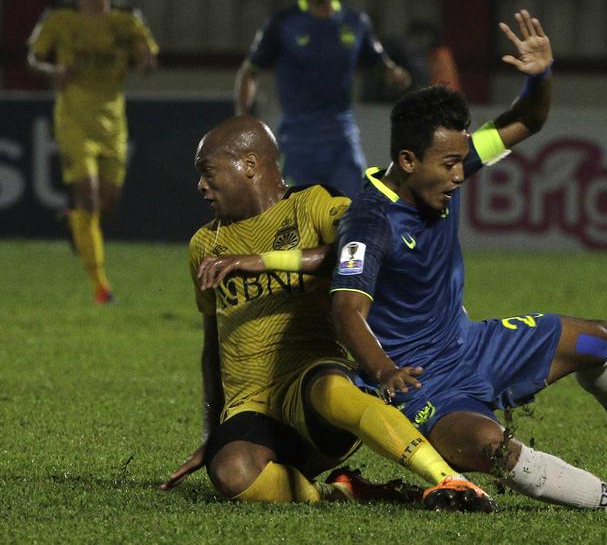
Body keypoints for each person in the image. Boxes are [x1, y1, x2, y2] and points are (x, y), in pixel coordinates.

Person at [329, 10, 607, 510]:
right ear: (408, 161)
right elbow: (346, 310)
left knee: (598, 338)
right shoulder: (369, 221)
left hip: (472, 345)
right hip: (419, 385)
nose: (460, 175)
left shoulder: (446, 164)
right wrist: (385, 371)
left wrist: (539, 75)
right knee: (493, 450)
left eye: (462, 161)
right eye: (449, 164)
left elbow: (528, 119)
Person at [160, 115, 494, 510]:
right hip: (251, 407)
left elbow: (363, 246)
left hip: (315, 391)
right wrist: (212, 435)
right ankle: (340, 493)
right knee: (232, 475)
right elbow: (211, 343)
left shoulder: (312, 203)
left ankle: (448, 480)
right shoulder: (205, 244)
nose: (201, 185)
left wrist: (263, 260)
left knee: (333, 390)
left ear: (248, 165)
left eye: (208, 172)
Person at [27, 0, 158, 304]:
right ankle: (101, 287)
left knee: (108, 204)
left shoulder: (127, 19)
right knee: (89, 195)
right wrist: (54, 70)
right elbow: (34, 58)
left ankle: (76, 223)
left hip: (112, 119)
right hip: (73, 116)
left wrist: (146, 61)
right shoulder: (59, 17)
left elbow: (147, 60)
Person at [234, 0, 410, 198]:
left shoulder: (355, 22)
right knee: (299, 221)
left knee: (352, 213)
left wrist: (394, 73)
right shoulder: (282, 23)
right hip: (297, 139)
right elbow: (250, 71)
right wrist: (243, 116)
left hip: (342, 136)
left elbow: (380, 64)